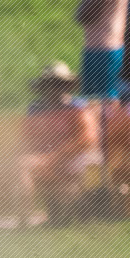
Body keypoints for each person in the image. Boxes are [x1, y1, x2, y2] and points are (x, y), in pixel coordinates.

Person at [19, 61, 102, 224]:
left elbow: (87, 139)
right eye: (51, 84)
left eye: (60, 84)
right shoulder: (36, 110)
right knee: (20, 164)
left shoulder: (78, 108)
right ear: (44, 87)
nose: (55, 88)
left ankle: (77, 204)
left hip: (75, 159)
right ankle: (25, 217)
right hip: (48, 161)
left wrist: (52, 158)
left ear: (67, 86)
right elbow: (26, 139)